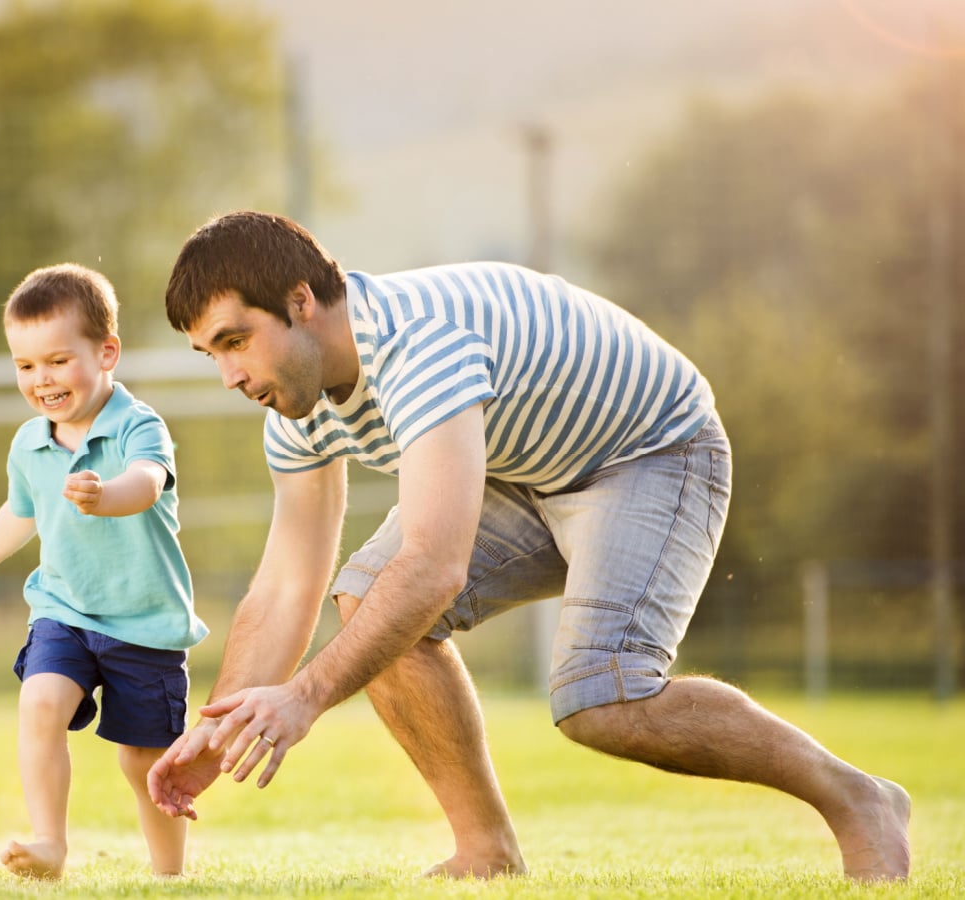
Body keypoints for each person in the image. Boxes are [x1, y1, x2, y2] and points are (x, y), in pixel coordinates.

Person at [143, 210, 911, 881]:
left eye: (235, 341)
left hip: (649, 452)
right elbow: (285, 585)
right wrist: (221, 726)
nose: (228, 375)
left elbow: (435, 568)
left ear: (301, 302)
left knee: (602, 699)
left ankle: (857, 795)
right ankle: (486, 850)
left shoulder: (419, 348)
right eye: (211, 354)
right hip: (525, 470)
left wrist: (306, 697)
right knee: (366, 597)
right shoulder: (295, 408)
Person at [0, 263, 208, 880]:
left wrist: (104, 495)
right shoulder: (29, 442)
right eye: (25, 366)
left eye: (57, 361)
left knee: (143, 760)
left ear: (107, 352)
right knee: (41, 701)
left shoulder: (139, 425)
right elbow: (20, 510)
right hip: (64, 610)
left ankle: (168, 872)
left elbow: (147, 483)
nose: (41, 379)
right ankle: (49, 843)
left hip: (145, 623)